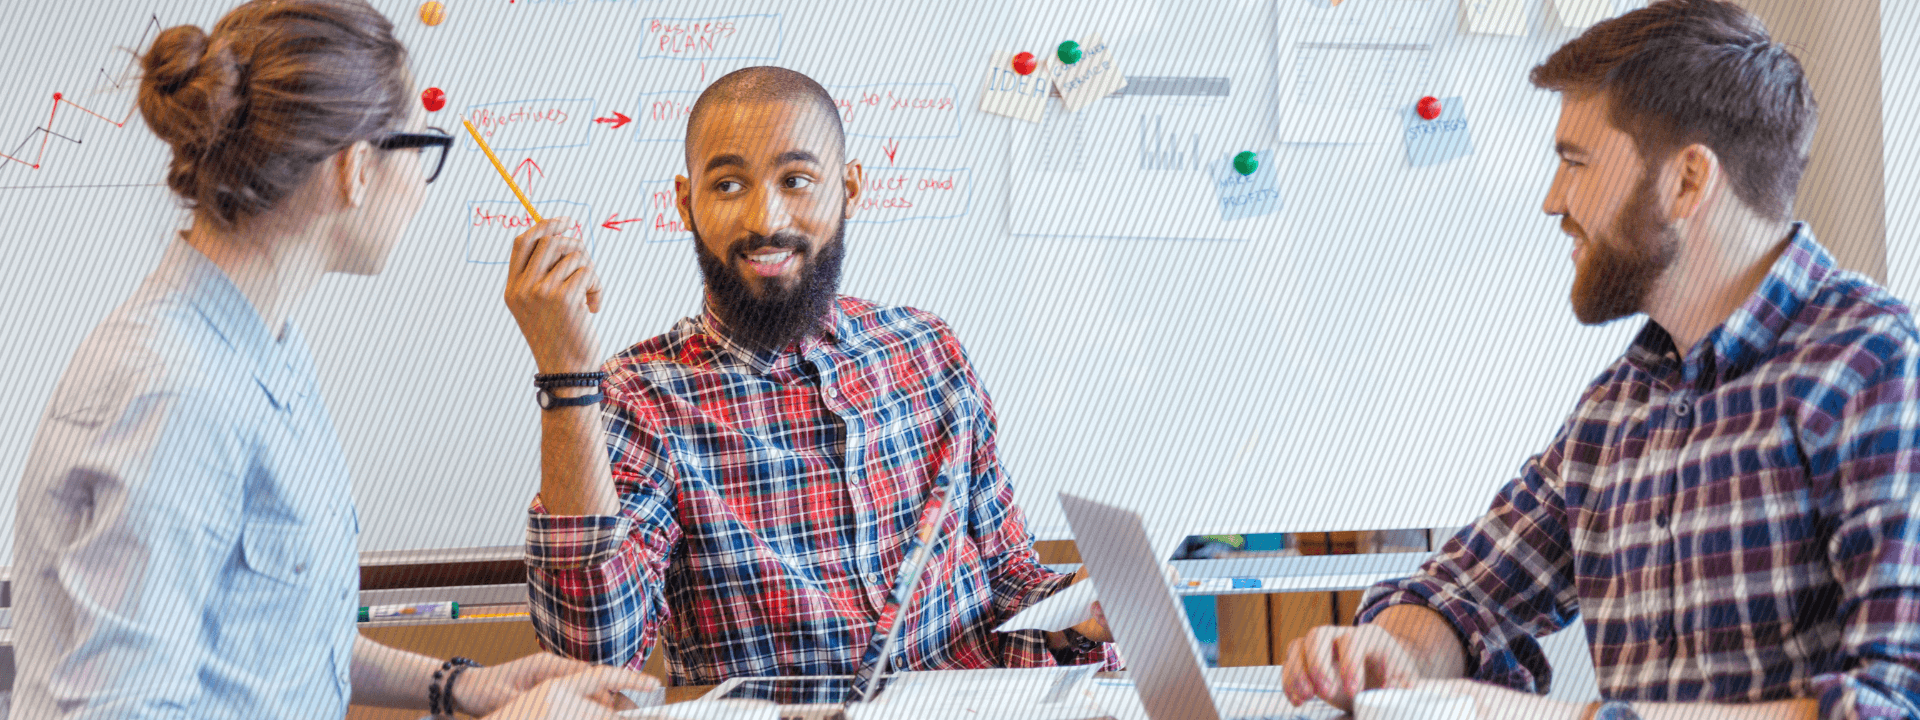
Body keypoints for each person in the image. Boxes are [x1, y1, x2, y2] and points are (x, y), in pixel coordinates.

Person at [9, 2, 656, 718]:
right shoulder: (177, 391)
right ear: (354, 170)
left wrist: (464, 686)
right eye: (419, 149)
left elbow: (271, 631)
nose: (418, 184)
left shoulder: (261, 348)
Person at [1278, 2, 1920, 718]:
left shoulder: (1872, 366)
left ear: (1686, 182)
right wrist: (1390, 651)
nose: (1554, 200)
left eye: (1575, 162)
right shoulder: (1619, 406)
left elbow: (1893, 703)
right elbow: (1465, 594)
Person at [502, 66, 1115, 686]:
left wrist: (1083, 613)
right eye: (729, 184)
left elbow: (1011, 579)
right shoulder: (636, 398)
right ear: (686, 203)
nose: (765, 218)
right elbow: (592, 660)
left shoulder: (930, 351)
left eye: (796, 179)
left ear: (848, 189)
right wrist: (567, 377)